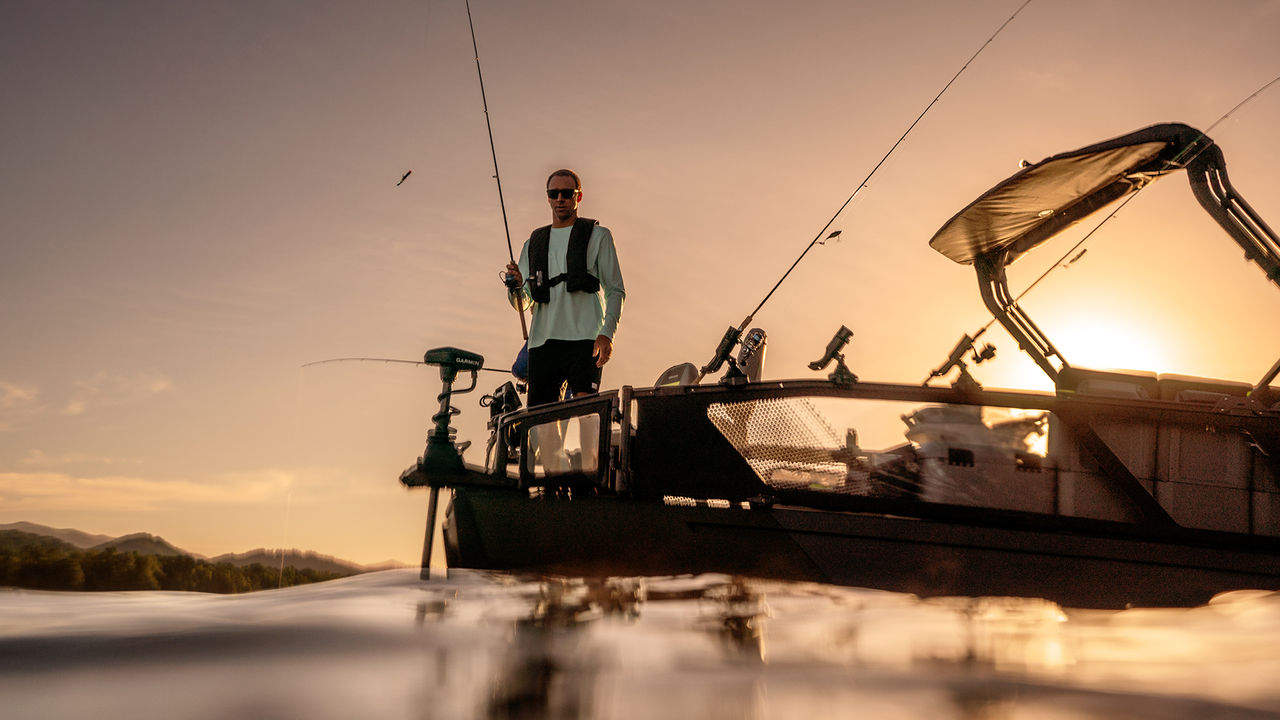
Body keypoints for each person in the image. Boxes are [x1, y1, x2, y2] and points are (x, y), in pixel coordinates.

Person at [505, 169, 625, 407]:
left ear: (578, 197)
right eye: (554, 193)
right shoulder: (532, 244)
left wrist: (606, 334)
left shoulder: (599, 236)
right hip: (542, 343)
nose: (560, 198)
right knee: (541, 423)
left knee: (585, 415)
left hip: (586, 340)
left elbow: (615, 290)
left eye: (567, 193)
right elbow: (523, 302)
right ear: (548, 197)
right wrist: (516, 287)